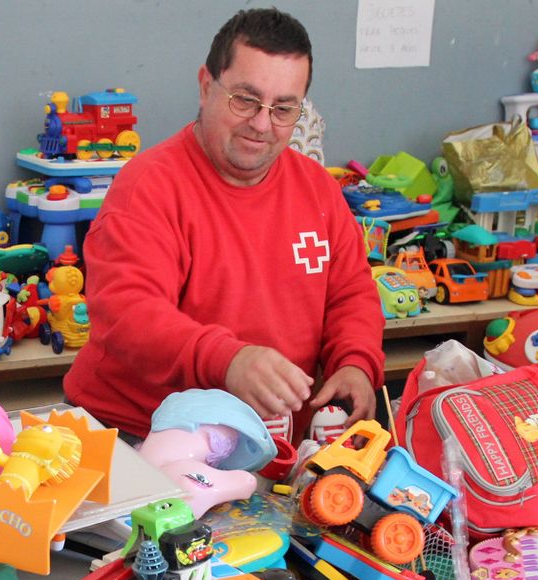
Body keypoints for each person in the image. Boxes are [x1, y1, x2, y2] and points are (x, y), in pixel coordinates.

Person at [64, 7, 384, 437]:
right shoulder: (148, 187)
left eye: (283, 109)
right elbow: (130, 314)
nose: (262, 124)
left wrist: (355, 362)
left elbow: (351, 295)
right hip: (139, 433)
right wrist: (228, 360)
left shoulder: (319, 190)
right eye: (245, 100)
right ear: (205, 86)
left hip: (270, 441)